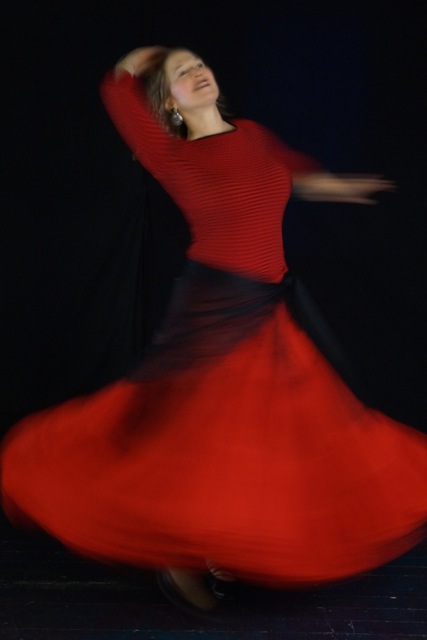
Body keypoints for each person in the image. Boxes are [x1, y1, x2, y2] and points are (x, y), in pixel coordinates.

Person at [1, 46, 426, 619]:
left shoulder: (252, 134)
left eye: (199, 64)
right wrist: (148, 58)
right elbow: (116, 87)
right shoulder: (169, 153)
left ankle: (220, 543)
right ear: (169, 105)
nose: (197, 72)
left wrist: (342, 188)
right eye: (181, 73)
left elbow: (297, 177)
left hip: (265, 305)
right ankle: (181, 554)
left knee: (265, 431)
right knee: (206, 431)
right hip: (216, 305)